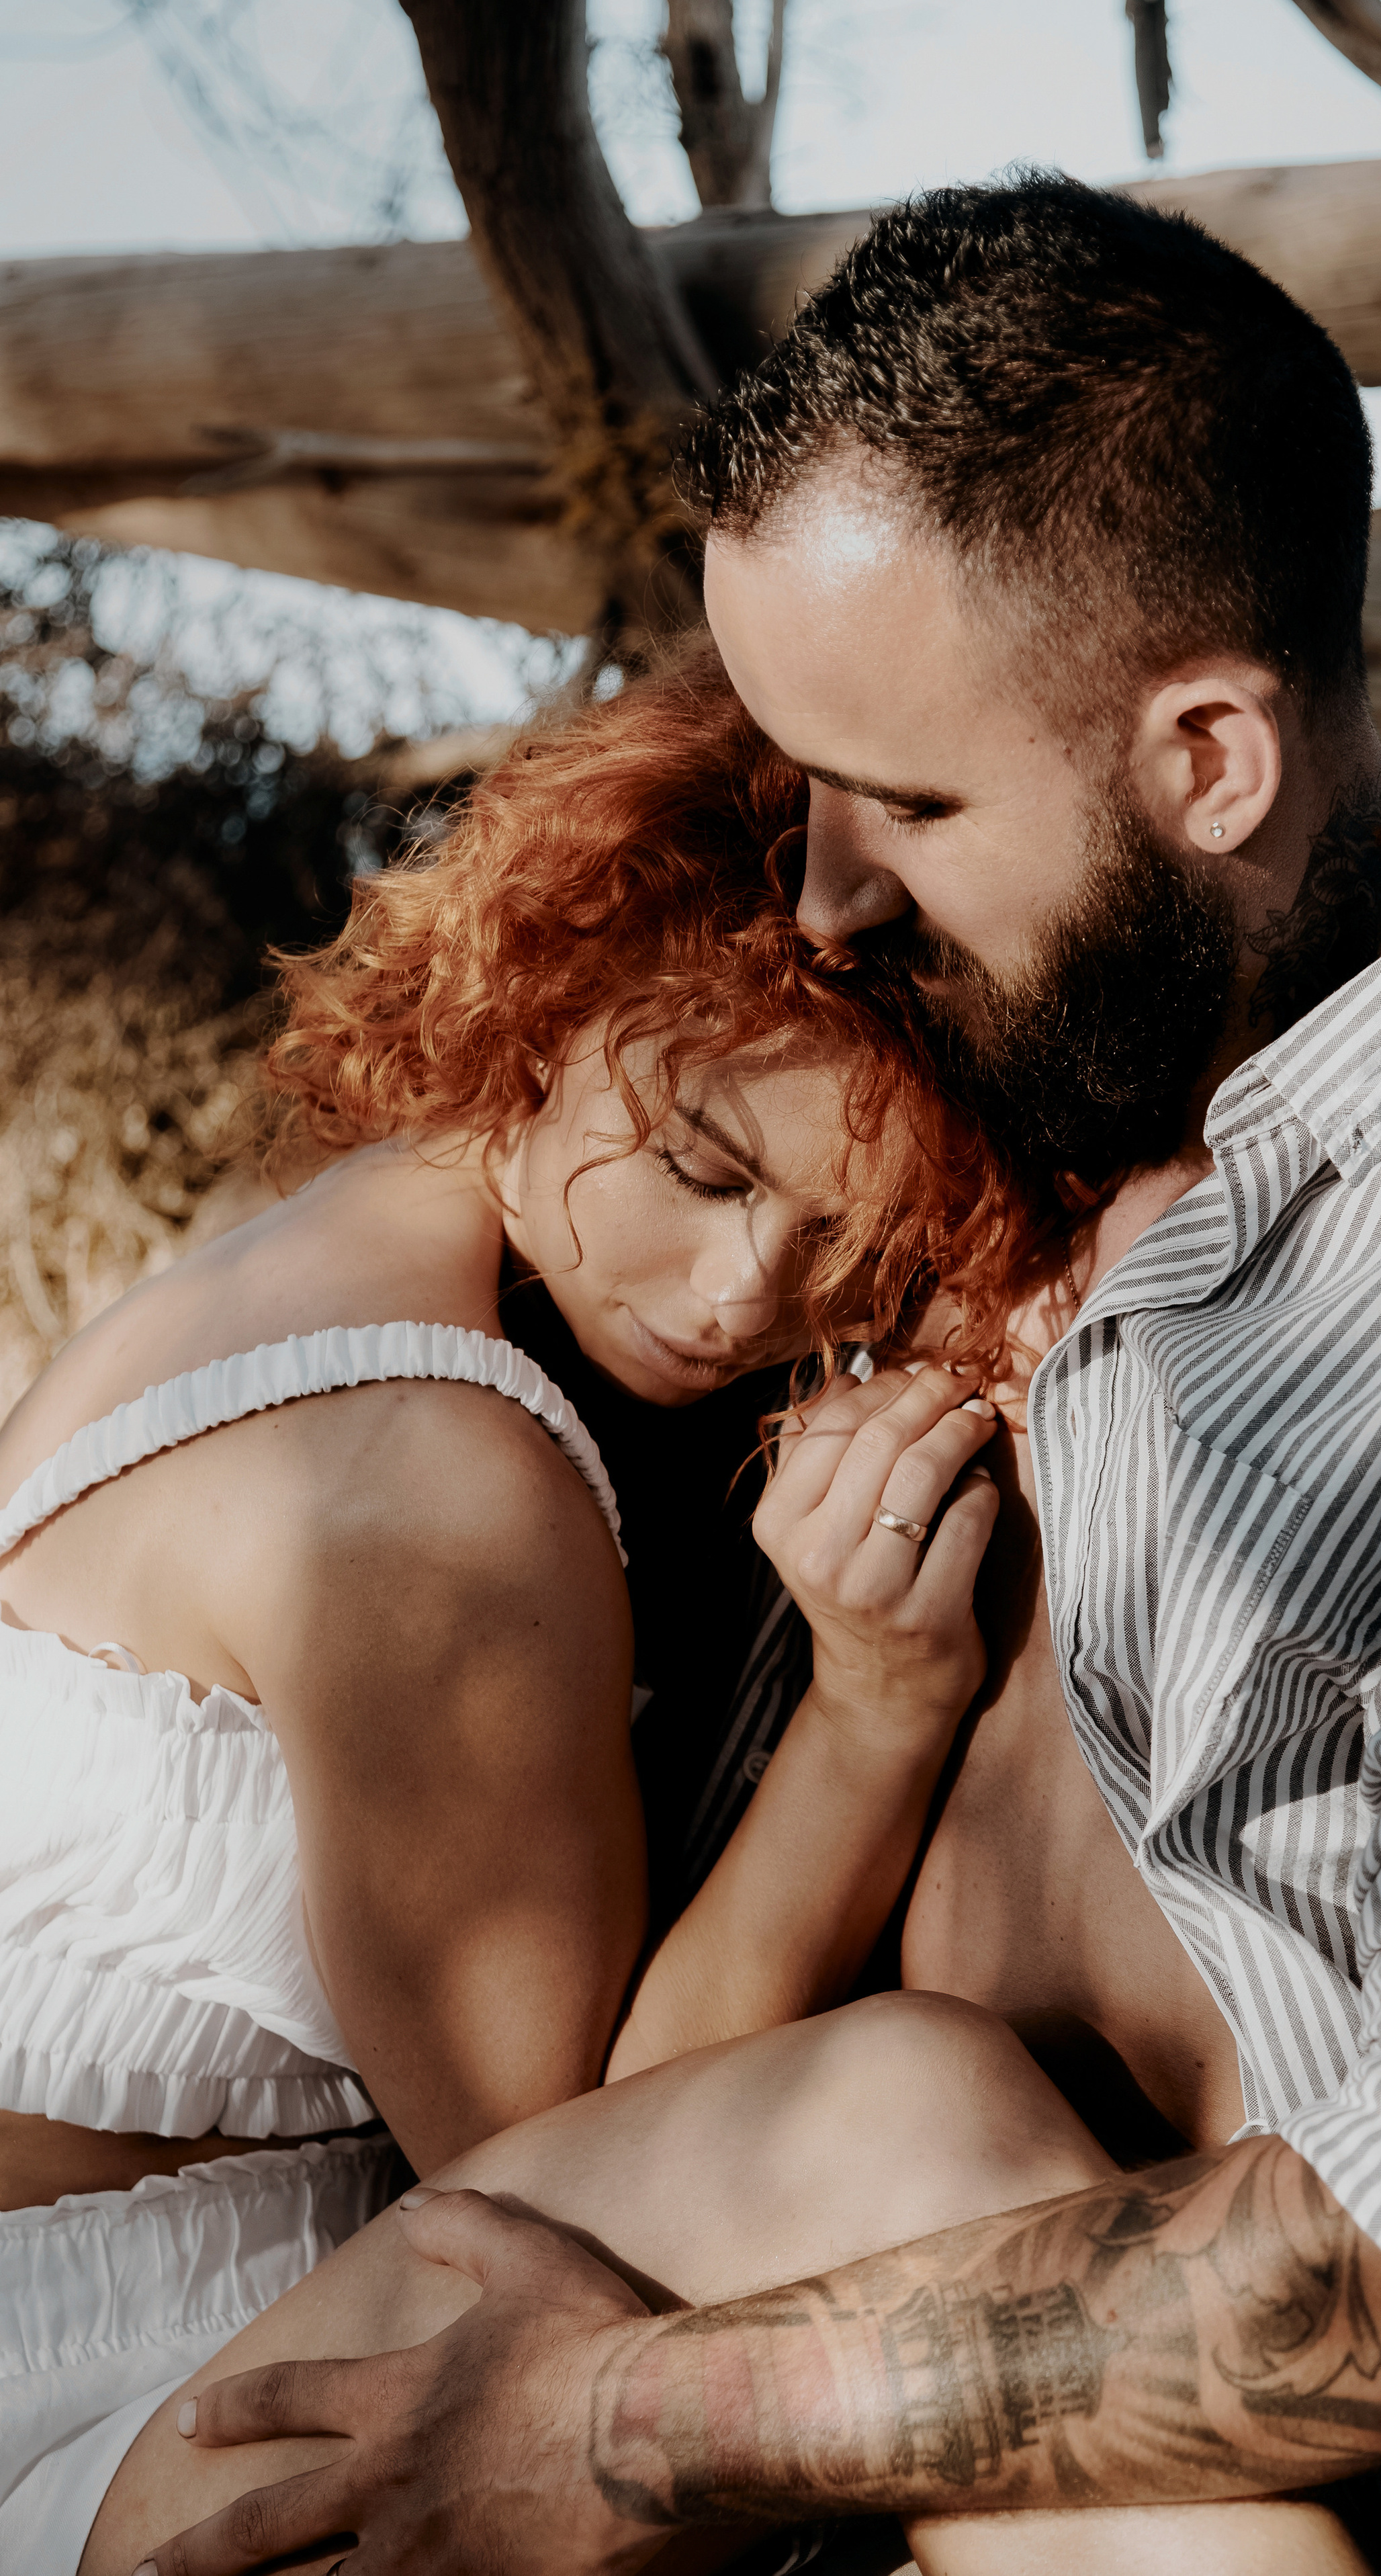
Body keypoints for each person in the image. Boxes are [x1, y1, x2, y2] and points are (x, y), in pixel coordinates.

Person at [133, 172, 1381, 2576]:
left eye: (915, 801)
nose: (828, 896)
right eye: (808, 782)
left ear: (1207, 759)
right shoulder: (994, 1104)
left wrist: (634, 2425)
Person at [0, 646, 1032, 2569]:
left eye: (854, 1253)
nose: (742, 1300)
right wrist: (877, 1704)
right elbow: (558, 2207)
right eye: (704, 1166)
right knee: (902, 2121)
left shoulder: (321, 1240)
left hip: (136, 2358)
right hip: (99, 2414)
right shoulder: (439, 1476)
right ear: (563, 980)